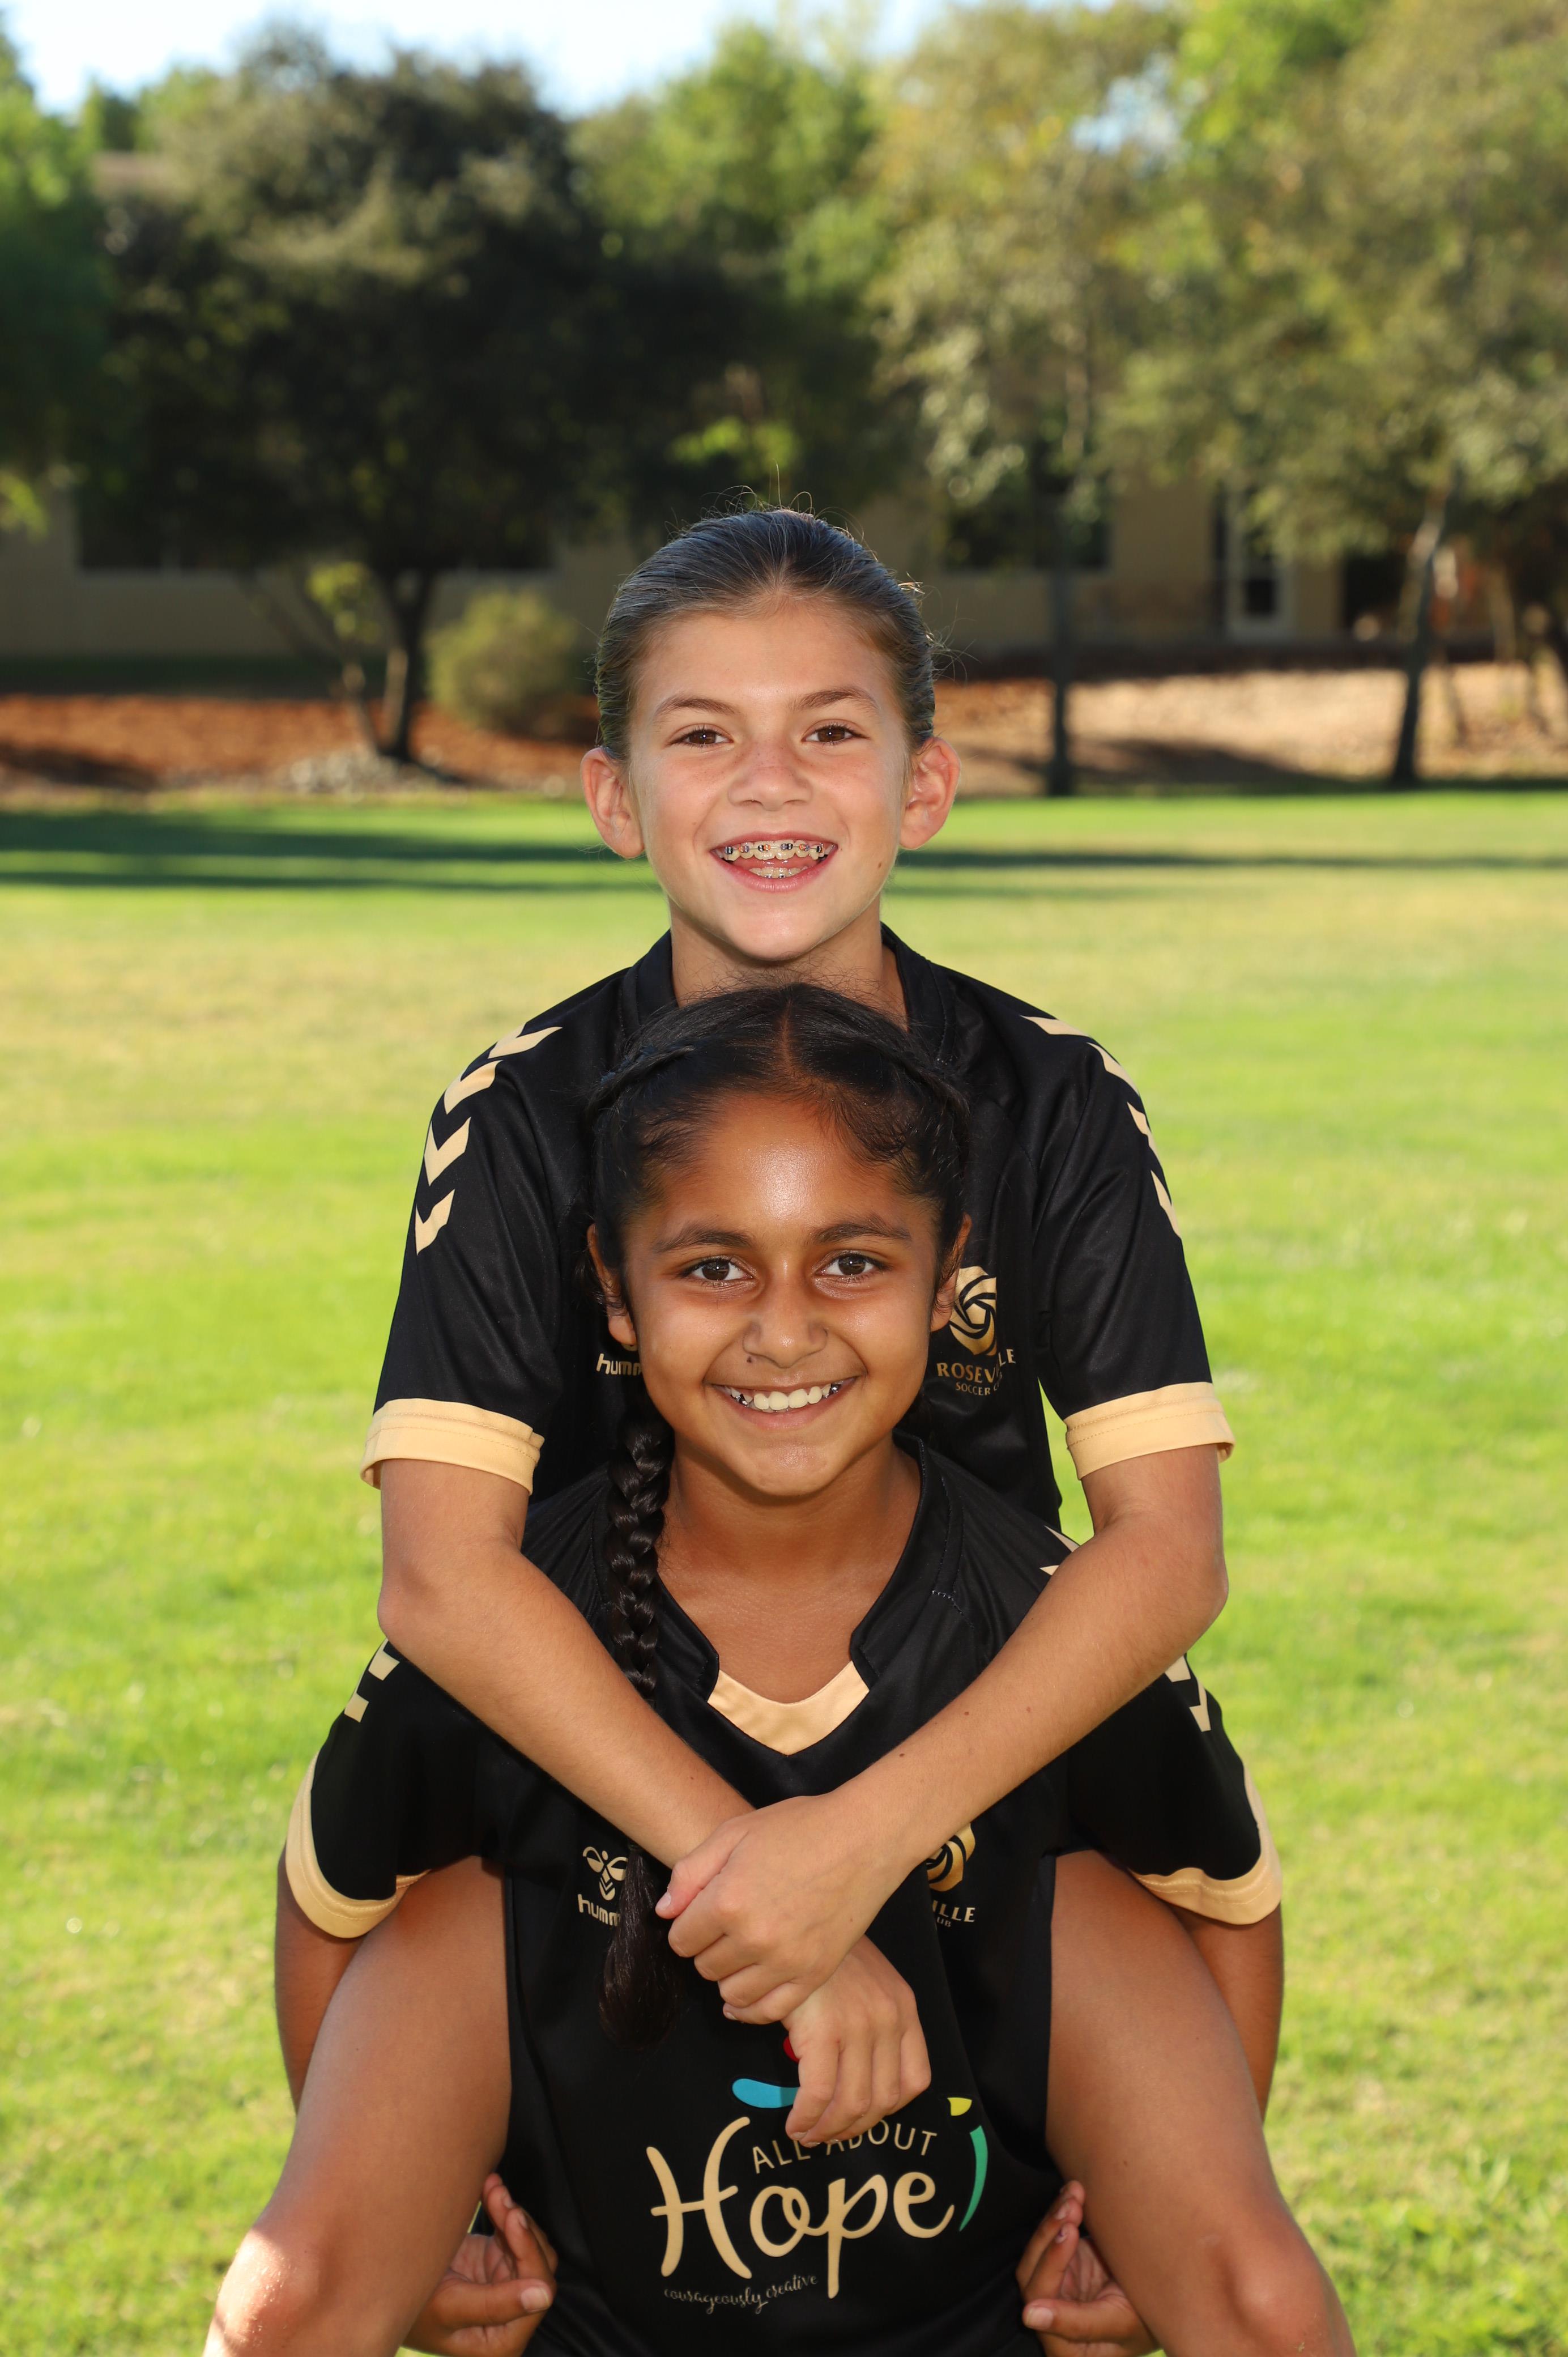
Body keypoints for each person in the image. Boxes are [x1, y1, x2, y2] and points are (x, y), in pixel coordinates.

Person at [210, 988, 1351, 2357]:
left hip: (969, 2294)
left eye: (851, 1261)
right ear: (615, 1292)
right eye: (713, 1269)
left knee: (1265, 2297)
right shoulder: (518, 1626)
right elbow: (336, 1893)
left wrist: (1143, 2216)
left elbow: (1222, 1894)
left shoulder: (1043, 1620)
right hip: (599, 2289)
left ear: (949, 1277)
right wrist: (427, 2219)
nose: (785, 1328)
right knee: (279, 2305)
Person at [357, 507, 1268, 2108]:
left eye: (830, 732)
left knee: (1214, 1936)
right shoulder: (523, 1115)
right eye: (703, 734)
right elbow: (443, 1577)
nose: (769, 784)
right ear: (614, 798)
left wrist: (858, 1839)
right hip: (612, 1764)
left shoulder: (1048, 1097)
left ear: (924, 786)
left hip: (969, 1760)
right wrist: (755, 1865)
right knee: (364, 1836)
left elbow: (1167, 1550)